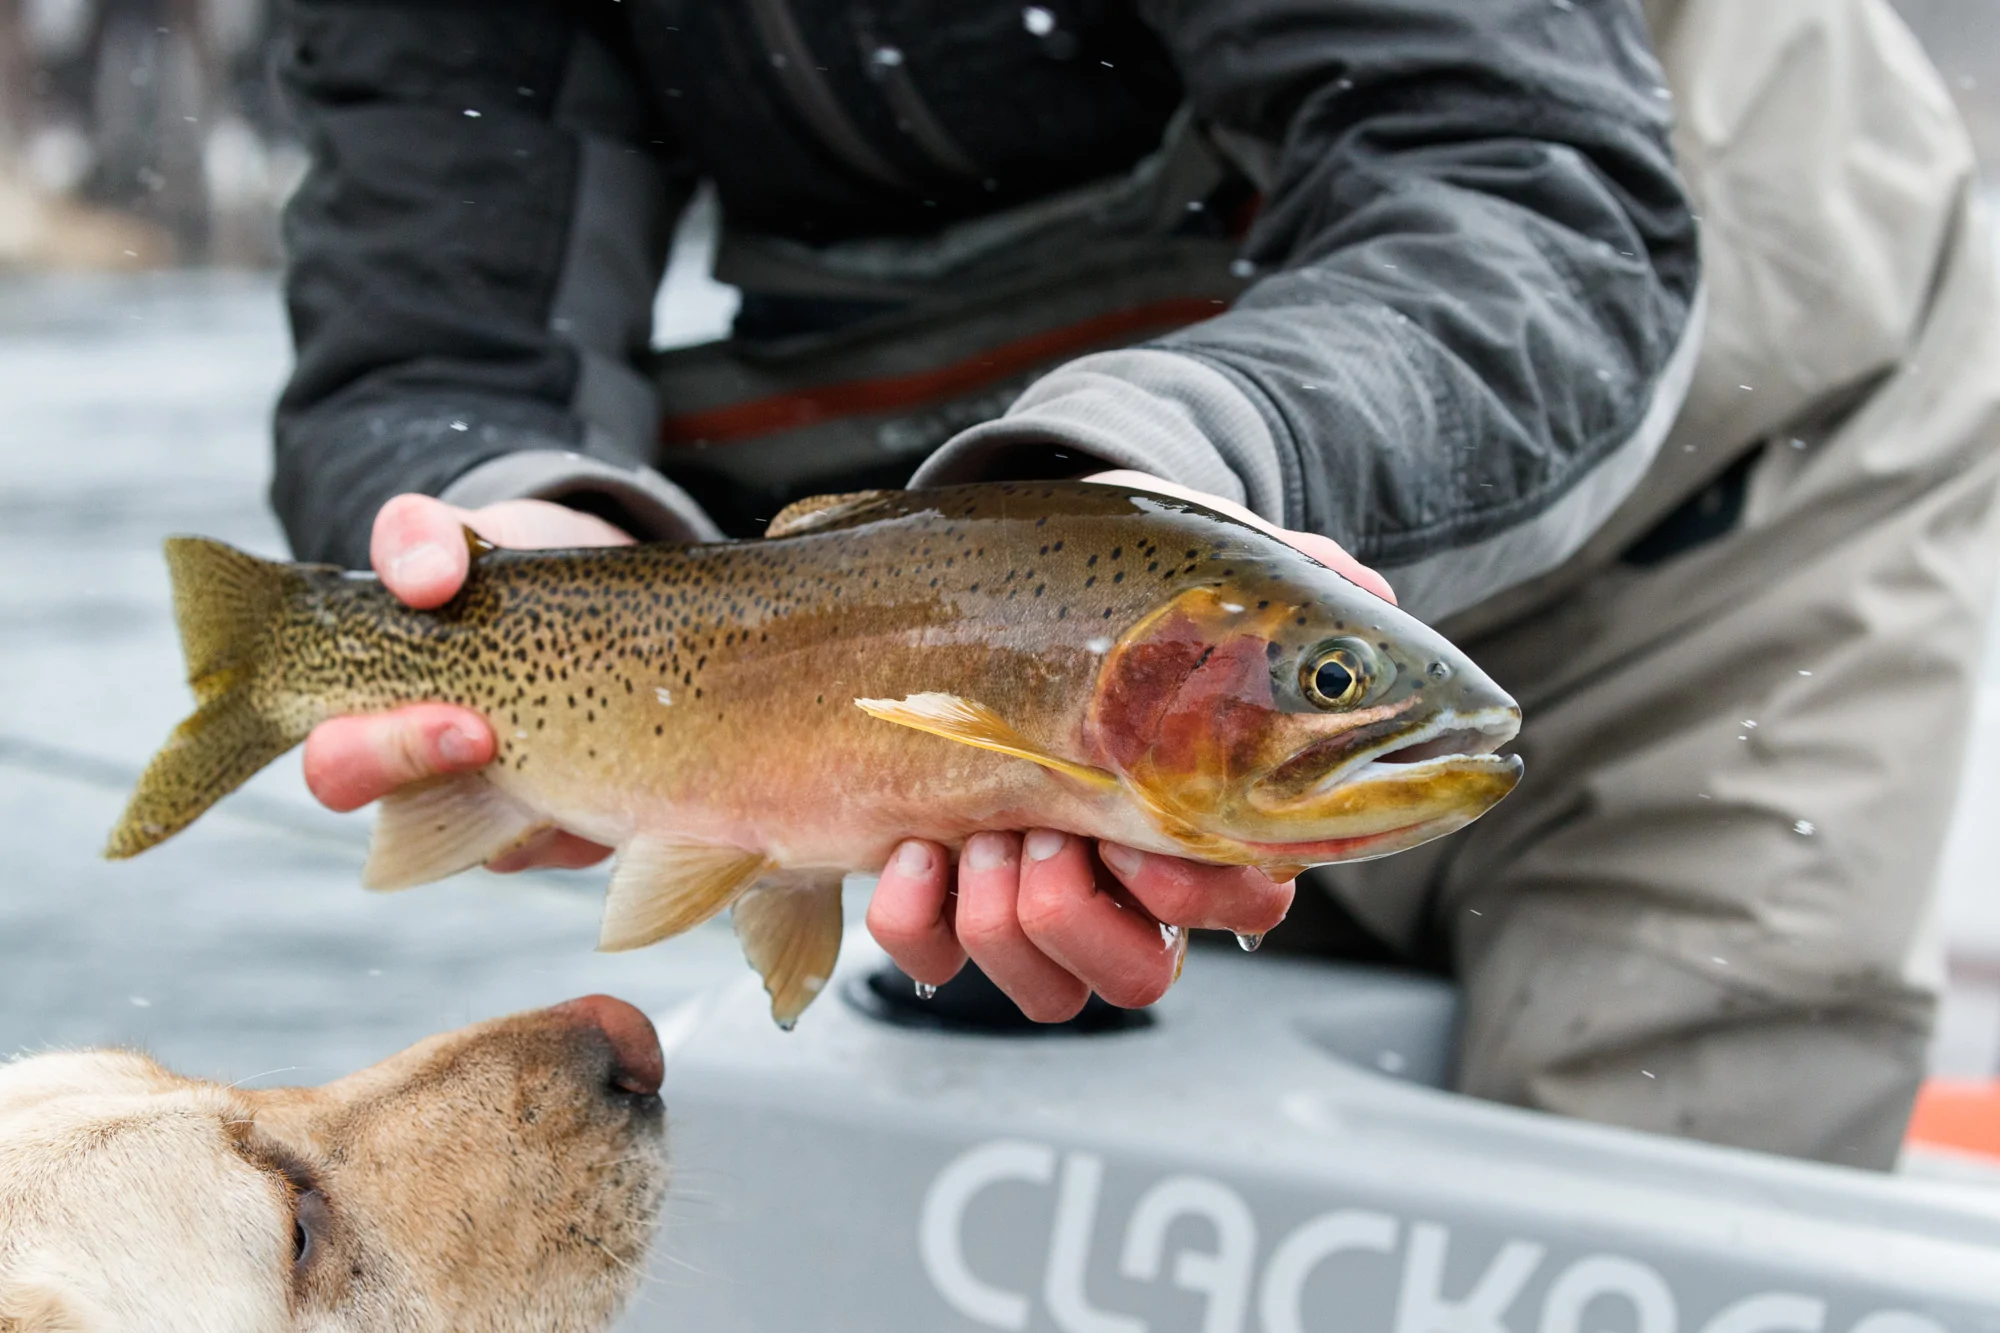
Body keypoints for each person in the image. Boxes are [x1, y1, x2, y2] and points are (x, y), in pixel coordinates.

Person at [272, 0, 2000, 1170]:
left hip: (1719, 512)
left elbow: (1507, 190)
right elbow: (438, 314)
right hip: (1009, 605)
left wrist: (1170, 496)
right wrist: (516, 539)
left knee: (1627, 1207)